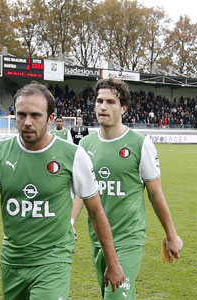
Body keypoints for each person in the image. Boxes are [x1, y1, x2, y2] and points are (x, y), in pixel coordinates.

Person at [0, 82, 124, 299]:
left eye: (36, 115)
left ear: (50, 118)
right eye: (21, 115)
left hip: (53, 260)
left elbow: (96, 212)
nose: (27, 122)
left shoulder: (73, 155)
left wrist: (113, 263)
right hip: (13, 260)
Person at [71, 78, 183, 300]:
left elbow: (155, 193)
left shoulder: (140, 144)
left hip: (128, 238)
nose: (103, 106)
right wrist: (70, 223)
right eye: (99, 100)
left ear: (123, 108)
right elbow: (81, 193)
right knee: (110, 294)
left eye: (111, 102)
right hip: (98, 238)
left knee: (116, 295)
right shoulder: (85, 145)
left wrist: (171, 235)